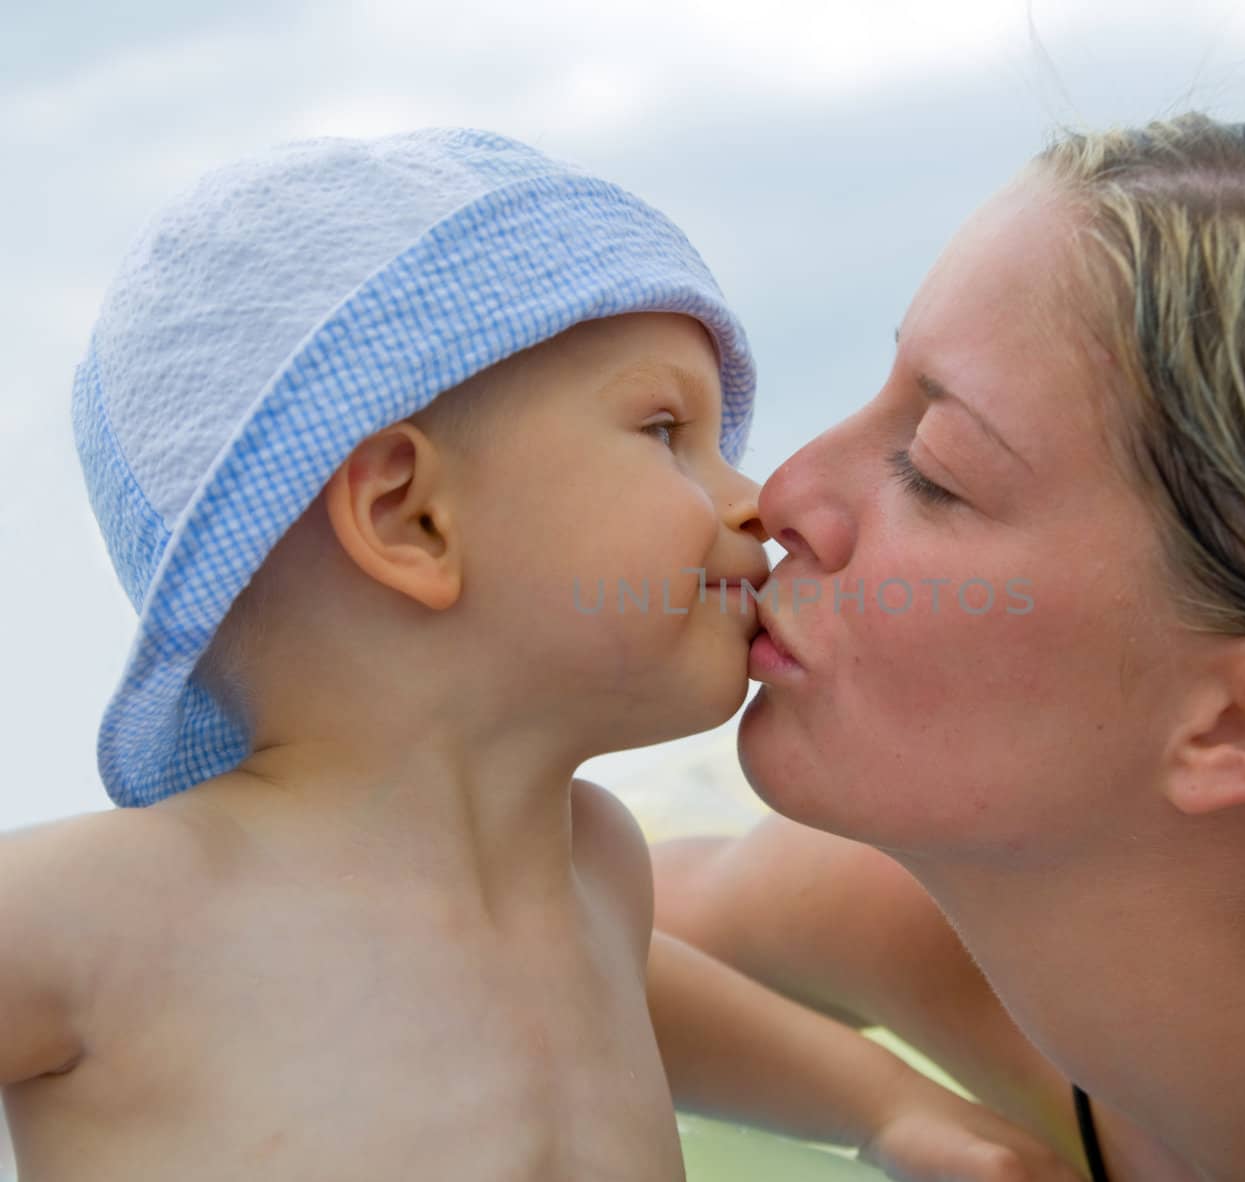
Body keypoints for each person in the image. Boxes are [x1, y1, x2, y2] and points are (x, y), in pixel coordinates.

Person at [0, 128, 1076, 1181]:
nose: (752, 503)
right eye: (665, 431)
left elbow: (628, 986)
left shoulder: (588, 870)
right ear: (409, 516)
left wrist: (886, 1106)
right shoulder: (105, 911)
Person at [654, 112, 1245, 1181]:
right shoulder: (934, 900)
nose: (777, 499)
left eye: (933, 466)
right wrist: (879, 1102)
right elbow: (483, 919)